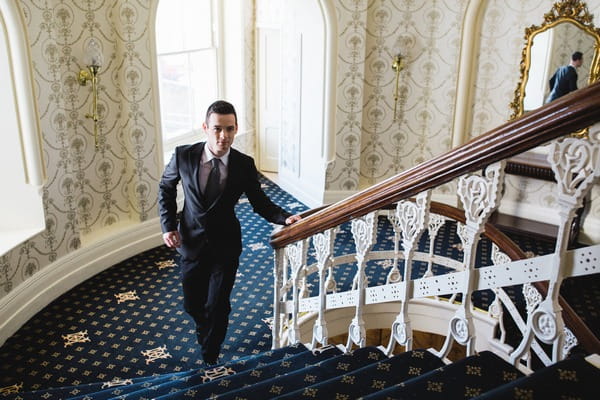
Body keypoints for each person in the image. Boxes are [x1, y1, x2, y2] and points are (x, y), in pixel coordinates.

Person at [158, 100, 301, 364]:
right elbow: (166, 188)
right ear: (205, 128)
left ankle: (210, 352)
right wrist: (168, 225)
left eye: (230, 129)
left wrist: (284, 218)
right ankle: (205, 329)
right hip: (190, 242)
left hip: (226, 245)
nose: (224, 136)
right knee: (192, 304)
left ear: (236, 129)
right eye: (217, 129)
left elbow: (260, 202)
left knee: (218, 304)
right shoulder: (183, 155)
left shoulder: (244, 164)